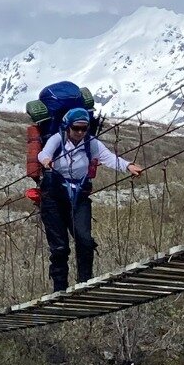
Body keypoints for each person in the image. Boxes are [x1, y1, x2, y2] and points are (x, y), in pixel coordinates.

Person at [37, 107, 143, 292]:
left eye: (83, 129)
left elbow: (108, 158)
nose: (79, 132)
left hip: (79, 196)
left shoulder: (90, 142)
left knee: (85, 240)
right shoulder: (57, 139)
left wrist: (128, 166)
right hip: (53, 197)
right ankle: (59, 290)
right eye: (76, 128)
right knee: (60, 247)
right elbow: (43, 154)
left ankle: (85, 284)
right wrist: (46, 161)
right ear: (67, 127)